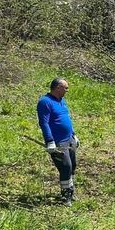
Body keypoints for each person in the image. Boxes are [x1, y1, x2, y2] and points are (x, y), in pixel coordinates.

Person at [37, 78, 79, 206]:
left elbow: (67, 118)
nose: (67, 90)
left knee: (72, 165)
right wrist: (50, 141)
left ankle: (70, 191)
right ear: (57, 88)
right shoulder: (45, 102)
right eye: (65, 88)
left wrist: (74, 135)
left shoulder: (62, 101)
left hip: (69, 139)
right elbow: (44, 123)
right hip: (58, 141)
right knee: (65, 167)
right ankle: (65, 196)